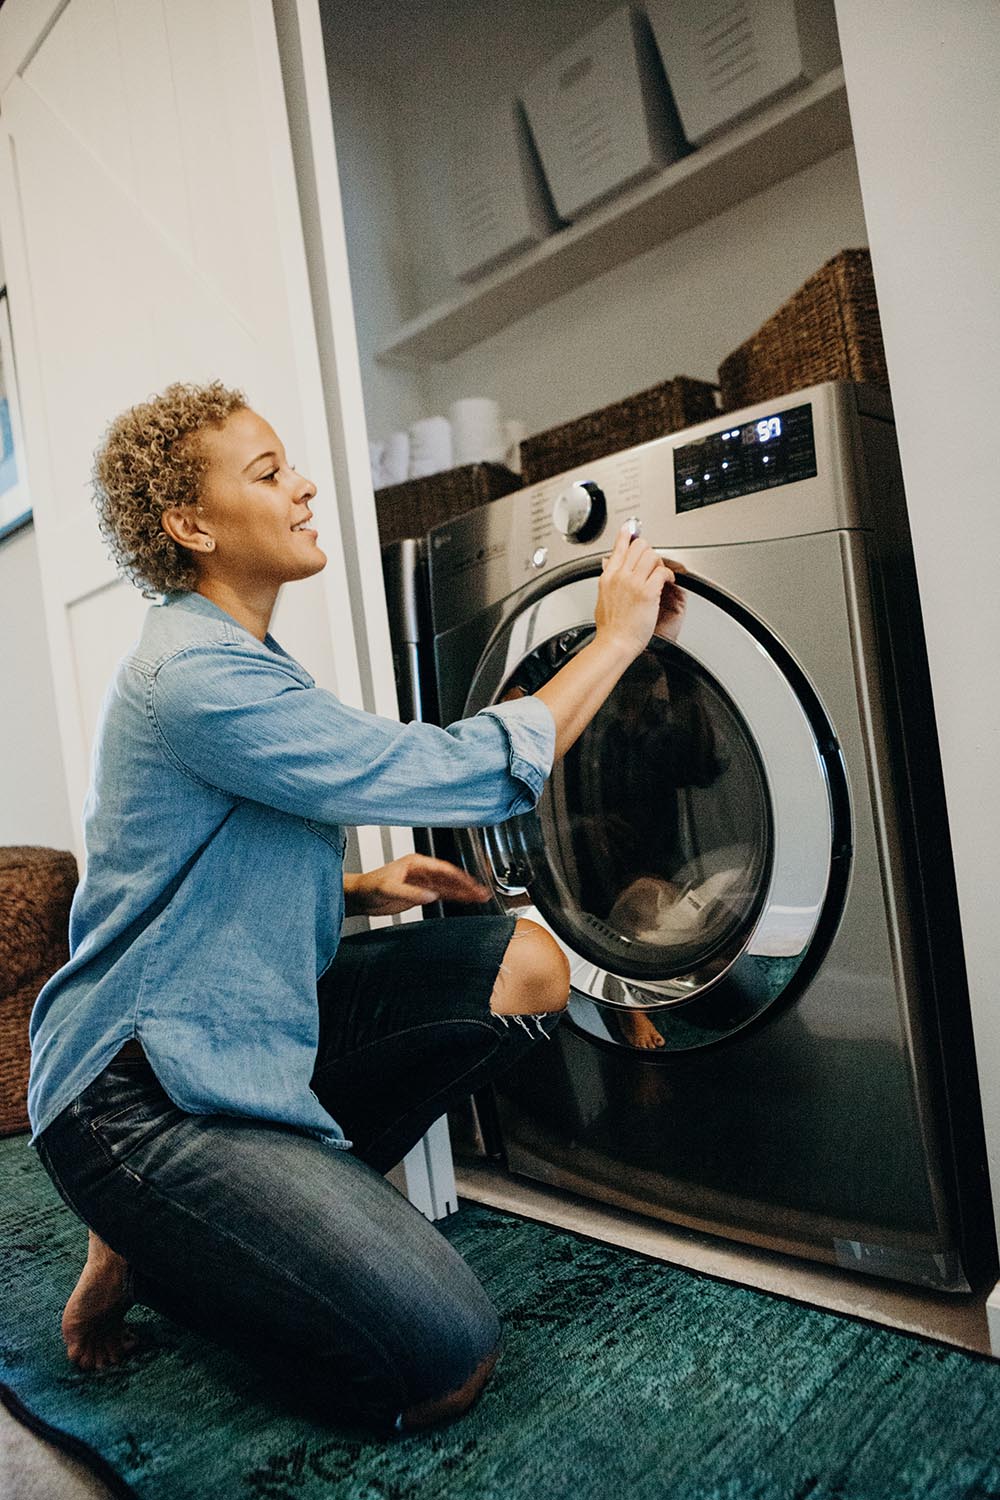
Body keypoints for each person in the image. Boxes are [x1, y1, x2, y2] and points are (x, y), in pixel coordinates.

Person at [27, 380, 677, 1435]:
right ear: (191, 525)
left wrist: (355, 887)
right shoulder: (192, 675)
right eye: (270, 473)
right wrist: (611, 640)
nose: (306, 486)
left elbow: (188, 870)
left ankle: (236, 1222)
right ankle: (163, 1219)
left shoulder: (244, 659)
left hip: (237, 1034)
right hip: (131, 1092)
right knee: (442, 1358)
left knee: (530, 963)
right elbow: (446, 771)